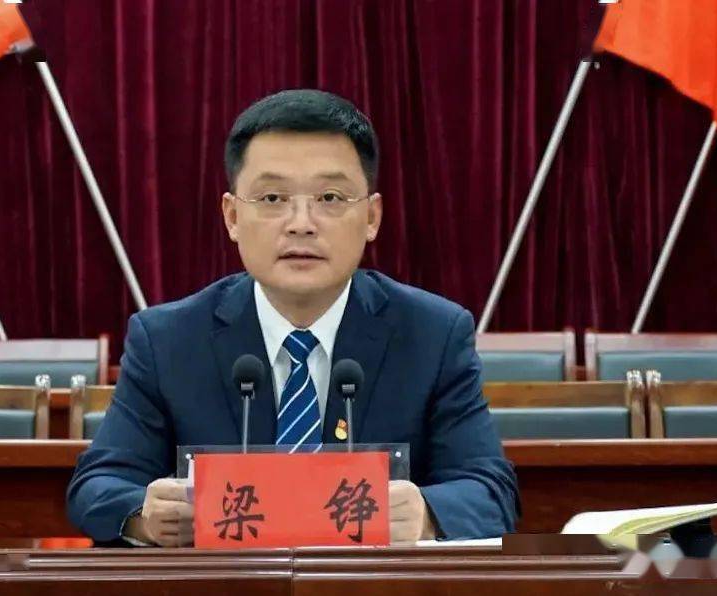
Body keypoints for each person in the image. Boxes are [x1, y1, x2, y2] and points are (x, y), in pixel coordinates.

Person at [67, 89, 518, 546]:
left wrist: (425, 514)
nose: (301, 222)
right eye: (272, 198)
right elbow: (97, 485)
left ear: (372, 217)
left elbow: (491, 492)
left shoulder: (433, 334)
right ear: (232, 217)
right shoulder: (168, 339)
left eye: (330, 197)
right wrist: (145, 516)